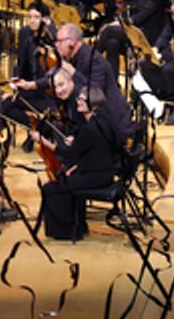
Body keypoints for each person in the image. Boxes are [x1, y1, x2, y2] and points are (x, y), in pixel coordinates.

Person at [35, 83, 118, 240]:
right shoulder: (101, 120)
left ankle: (66, 231)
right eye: (79, 98)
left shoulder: (91, 128)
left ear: (92, 103)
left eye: (82, 99)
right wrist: (78, 165)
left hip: (96, 177)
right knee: (64, 177)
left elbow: (68, 153)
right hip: (103, 172)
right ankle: (77, 226)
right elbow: (93, 151)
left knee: (50, 188)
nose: (78, 101)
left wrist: (43, 141)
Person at [96, 0, 169, 71]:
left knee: (109, 30)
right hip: (129, 31)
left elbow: (138, 19)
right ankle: (112, 84)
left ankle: (92, 59)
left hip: (144, 36)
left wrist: (116, 25)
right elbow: (125, 13)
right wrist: (118, 22)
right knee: (112, 43)